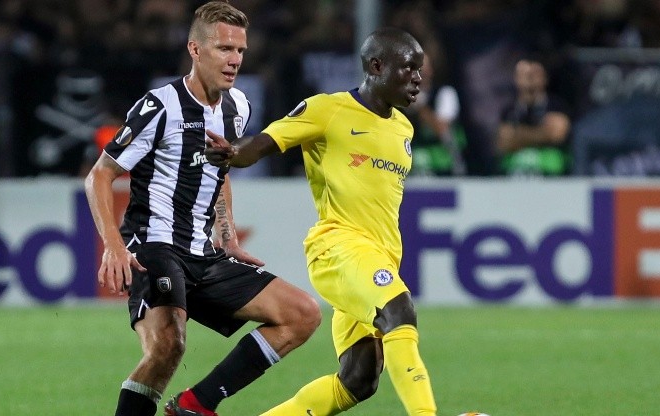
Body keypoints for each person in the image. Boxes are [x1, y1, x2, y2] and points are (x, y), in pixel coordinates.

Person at [83, 2, 321, 416]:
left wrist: (225, 234)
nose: (234, 60)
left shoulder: (238, 107)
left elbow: (220, 170)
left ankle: (195, 405)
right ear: (195, 50)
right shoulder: (160, 107)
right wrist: (114, 245)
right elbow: (100, 175)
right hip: (154, 246)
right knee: (168, 346)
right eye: (224, 49)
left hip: (204, 254)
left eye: (240, 51)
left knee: (302, 314)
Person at [205, 27, 437, 416]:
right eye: (409, 68)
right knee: (400, 310)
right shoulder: (327, 110)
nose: (418, 78)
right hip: (340, 248)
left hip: (374, 260)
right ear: (377, 66)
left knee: (359, 380)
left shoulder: (403, 128)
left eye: (420, 70)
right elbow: (262, 143)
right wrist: (232, 153)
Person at [495, 59, 572, 176]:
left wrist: (518, 135)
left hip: (551, 176)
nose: (529, 80)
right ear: (516, 79)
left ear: (545, 78)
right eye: (524, 75)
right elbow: (503, 142)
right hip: (515, 175)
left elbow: (557, 134)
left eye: (534, 74)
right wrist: (543, 134)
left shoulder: (556, 106)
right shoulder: (509, 110)